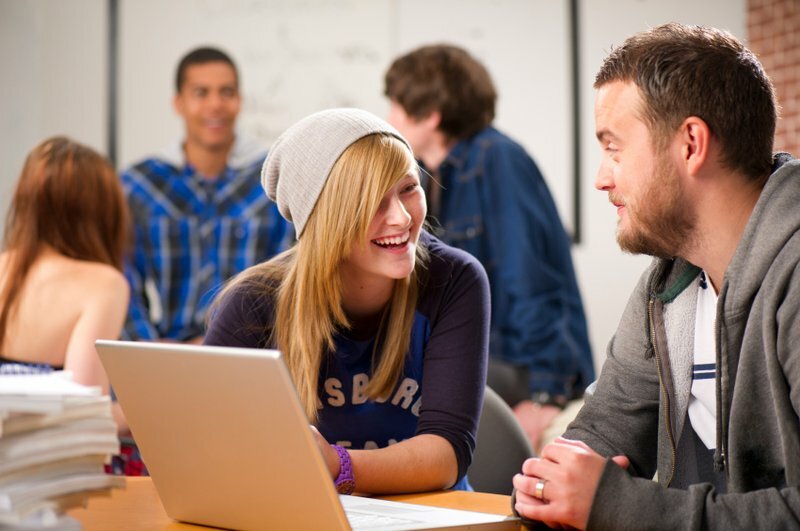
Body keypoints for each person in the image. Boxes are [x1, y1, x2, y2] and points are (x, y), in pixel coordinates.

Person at [513, 22, 800, 529]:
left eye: (614, 148)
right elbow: (599, 436)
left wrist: (622, 507)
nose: (602, 178)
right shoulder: (669, 285)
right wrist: (548, 487)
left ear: (690, 144)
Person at [204, 108, 490, 494]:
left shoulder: (453, 279)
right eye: (373, 202)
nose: (401, 218)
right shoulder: (253, 303)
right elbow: (209, 452)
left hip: (431, 515)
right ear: (324, 218)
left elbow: (447, 454)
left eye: (408, 188)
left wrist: (337, 466)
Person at [384, 44, 594, 451]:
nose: (389, 118)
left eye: (396, 105)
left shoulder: (497, 159)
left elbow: (531, 278)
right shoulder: (431, 176)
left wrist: (545, 395)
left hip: (520, 367)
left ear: (431, 115)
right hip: (481, 355)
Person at [122, 46, 291, 344]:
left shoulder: (273, 179)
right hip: (166, 353)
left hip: (254, 353)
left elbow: (291, 278)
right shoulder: (140, 186)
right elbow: (123, 282)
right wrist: (148, 347)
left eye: (226, 92)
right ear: (179, 103)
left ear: (239, 101)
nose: (215, 104)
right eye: (201, 93)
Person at [0, 136, 130, 432]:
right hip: (50, 464)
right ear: (102, 210)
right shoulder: (104, 284)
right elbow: (84, 409)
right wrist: (150, 412)